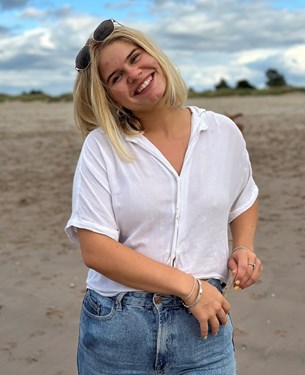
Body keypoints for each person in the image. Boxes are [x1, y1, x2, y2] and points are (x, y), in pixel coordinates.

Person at [65, 19, 262, 375]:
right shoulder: (102, 148)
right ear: (110, 97)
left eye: (136, 58)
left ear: (155, 54)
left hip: (204, 330)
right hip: (119, 329)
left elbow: (244, 197)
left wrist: (243, 246)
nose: (134, 74)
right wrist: (190, 289)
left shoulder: (222, 131)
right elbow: (95, 250)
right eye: (116, 77)